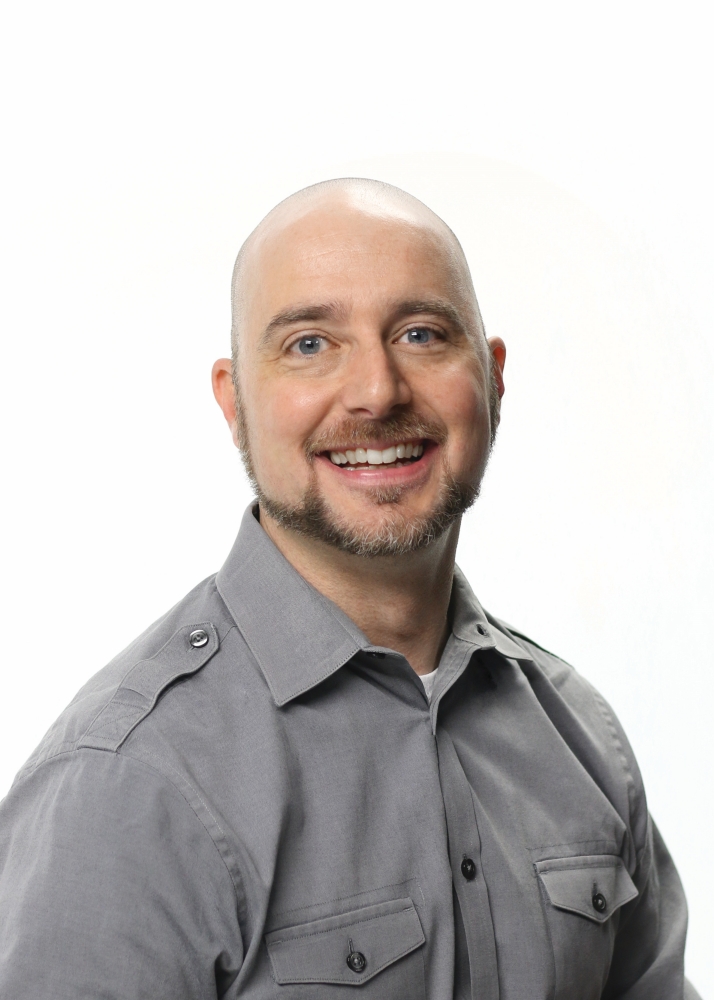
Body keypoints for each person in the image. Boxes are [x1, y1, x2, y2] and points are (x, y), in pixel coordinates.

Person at [0, 178, 699, 1000]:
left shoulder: (579, 739)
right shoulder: (127, 786)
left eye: (420, 333)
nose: (377, 390)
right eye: (308, 344)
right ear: (236, 404)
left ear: (493, 379)